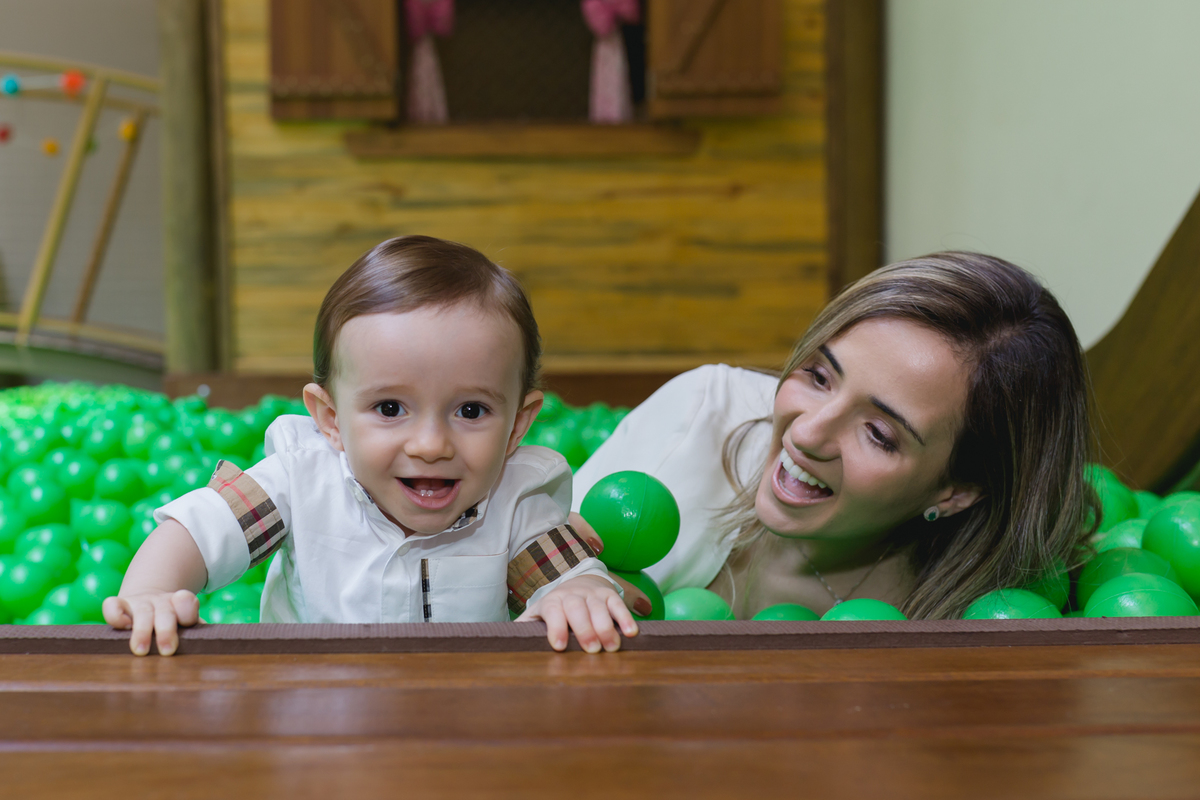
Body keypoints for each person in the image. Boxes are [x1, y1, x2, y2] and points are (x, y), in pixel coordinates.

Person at [105, 236, 636, 655]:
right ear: (331, 420)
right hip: (315, 720)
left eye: (471, 411)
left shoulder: (516, 498)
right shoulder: (299, 481)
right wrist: (152, 594)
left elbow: (563, 578)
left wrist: (578, 593)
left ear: (517, 426)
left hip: (464, 729)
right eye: (389, 409)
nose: (430, 445)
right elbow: (196, 534)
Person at [572, 252, 1098, 620]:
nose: (807, 432)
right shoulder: (703, 416)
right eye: (820, 377)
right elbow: (523, 556)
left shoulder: (965, 616)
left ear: (956, 490)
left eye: (878, 432)